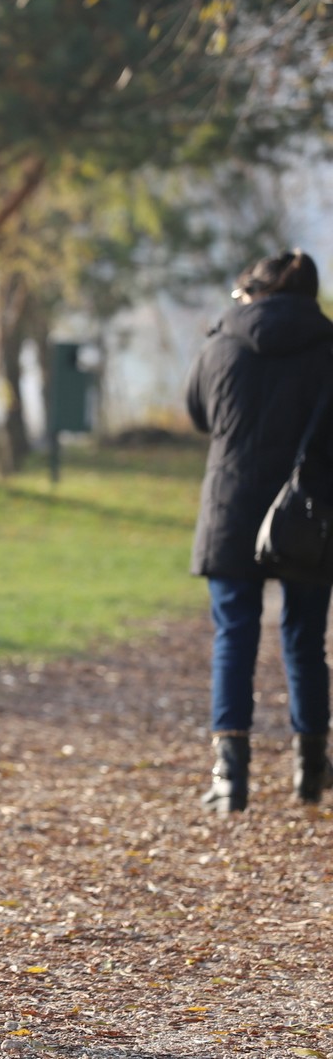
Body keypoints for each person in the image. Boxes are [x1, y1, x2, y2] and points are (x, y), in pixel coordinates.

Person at [186, 248, 333, 814]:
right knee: (304, 638)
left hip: (231, 507)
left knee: (234, 636)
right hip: (311, 512)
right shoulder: (328, 349)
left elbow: (199, 412)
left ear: (254, 291)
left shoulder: (220, 343)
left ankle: (231, 778)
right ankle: (312, 771)